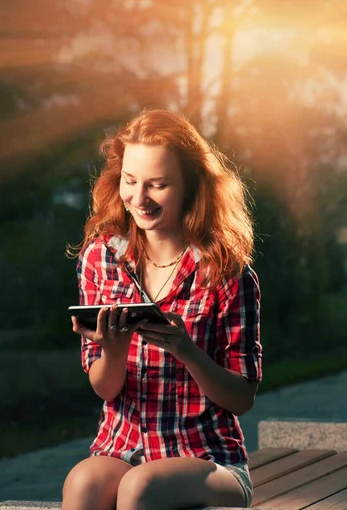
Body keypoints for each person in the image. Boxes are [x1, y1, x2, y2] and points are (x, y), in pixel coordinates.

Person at [62, 109, 262, 510]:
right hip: (122, 447)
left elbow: (241, 398)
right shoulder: (100, 258)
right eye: (130, 181)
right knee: (82, 481)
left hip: (207, 457)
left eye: (158, 185)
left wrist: (186, 351)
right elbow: (104, 388)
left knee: (140, 488)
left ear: (190, 187)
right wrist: (113, 350)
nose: (139, 198)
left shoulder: (226, 273)